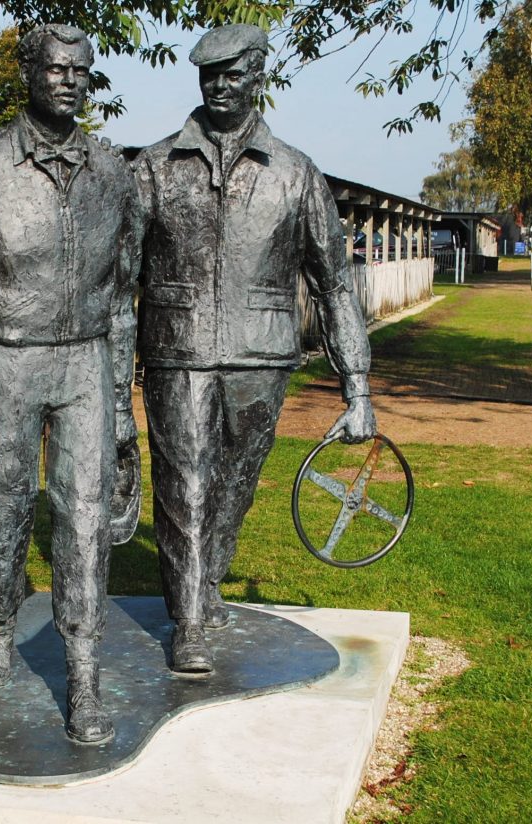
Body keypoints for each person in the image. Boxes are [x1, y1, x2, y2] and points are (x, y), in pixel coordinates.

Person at [0, 23, 138, 745]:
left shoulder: (112, 170)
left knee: (84, 518)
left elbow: (125, 291)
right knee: (1, 506)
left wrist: (122, 397)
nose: (69, 80)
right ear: (29, 74)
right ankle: (1, 627)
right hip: (3, 362)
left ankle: (84, 672)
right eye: (55, 68)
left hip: (86, 364)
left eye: (81, 69)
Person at [133, 24, 377, 676]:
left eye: (231, 75)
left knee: (234, 486)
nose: (217, 87)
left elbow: (333, 286)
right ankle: (186, 623)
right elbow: (111, 280)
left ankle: (206, 583)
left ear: (259, 76)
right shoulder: (154, 168)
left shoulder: (296, 175)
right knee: (182, 484)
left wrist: (357, 385)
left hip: (262, 356)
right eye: (208, 76)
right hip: (177, 352)